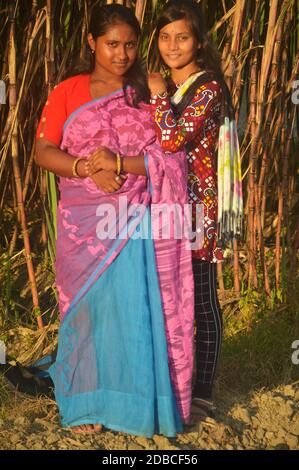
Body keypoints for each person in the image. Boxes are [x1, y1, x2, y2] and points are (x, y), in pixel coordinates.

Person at [35, 4, 194, 437]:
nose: (122, 54)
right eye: (111, 45)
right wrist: (86, 168)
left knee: (134, 308)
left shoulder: (149, 91)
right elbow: (43, 151)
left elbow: (171, 157)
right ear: (92, 43)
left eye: (129, 45)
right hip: (82, 222)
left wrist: (120, 161)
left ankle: (135, 396)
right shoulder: (67, 91)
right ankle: (87, 400)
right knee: (87, 308)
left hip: (136, 217)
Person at [148, 0, 243, 423]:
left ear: (198, 41)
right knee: (170, 296)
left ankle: (203, 390)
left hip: (198, 211)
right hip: (166, 206)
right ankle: (173, 381)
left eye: (182, 36)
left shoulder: (207, 88)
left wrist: (155, 96)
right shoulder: (165, 87)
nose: (172, 45)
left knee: (202, 298)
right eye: (165, 37)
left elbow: (173, 139)